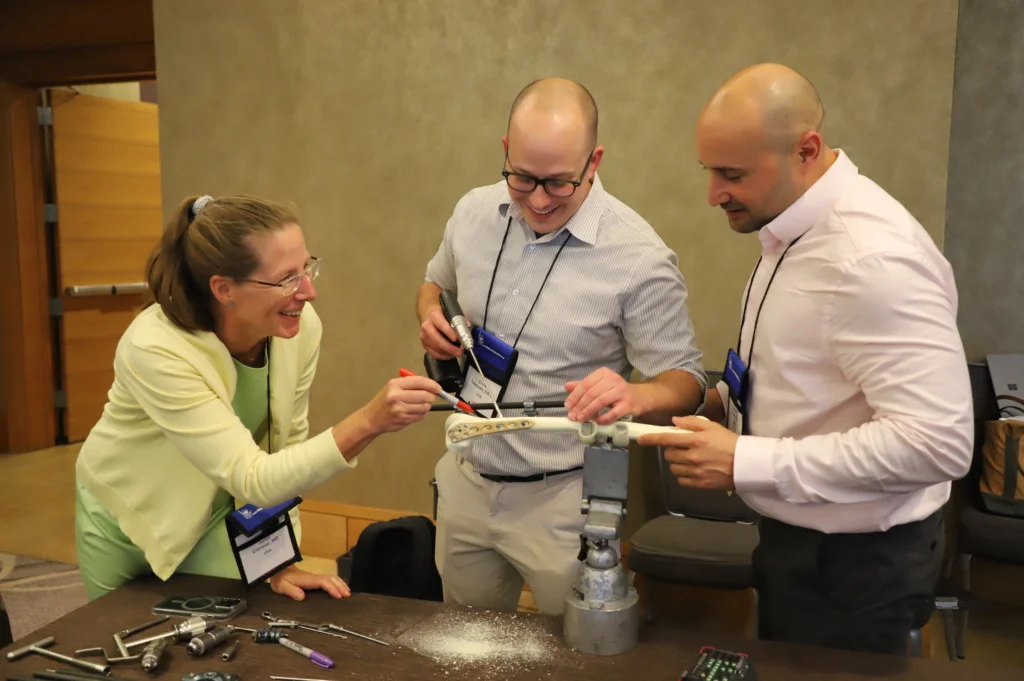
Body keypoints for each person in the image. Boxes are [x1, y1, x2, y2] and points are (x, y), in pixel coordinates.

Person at [639, 63, 974, 655]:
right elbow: (803, 369)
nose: (713, 193)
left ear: (806, 150)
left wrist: (747, 460)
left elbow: (937, 442)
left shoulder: (870, 261)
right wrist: (715, 405)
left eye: (731, 174)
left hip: (857, 565)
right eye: (709, 170)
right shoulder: (787, 226)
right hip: (795, 541)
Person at [417, 78, 706, 615]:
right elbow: (435, 284)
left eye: (558, 183)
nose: (539, 200)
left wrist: (636, 397)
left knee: (575, 653)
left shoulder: (639, 256)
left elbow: (687, 380)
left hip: (564, 497)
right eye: (523, 179)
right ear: (505, 150)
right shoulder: (474, 212)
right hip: (466, 476)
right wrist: (430, 314)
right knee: (462, 644)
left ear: (593, 162)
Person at [75, 194, 441, 601]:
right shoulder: (154, 347)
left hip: (217, 514)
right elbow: (253, 477)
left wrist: (280, 562)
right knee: (118, 647)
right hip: (126, 518)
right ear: (224, 288)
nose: (307, 293)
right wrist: (369, 421)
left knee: (235, 635)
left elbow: (285, 449)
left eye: (307, 269)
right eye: (286, 278)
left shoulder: (299, 329)